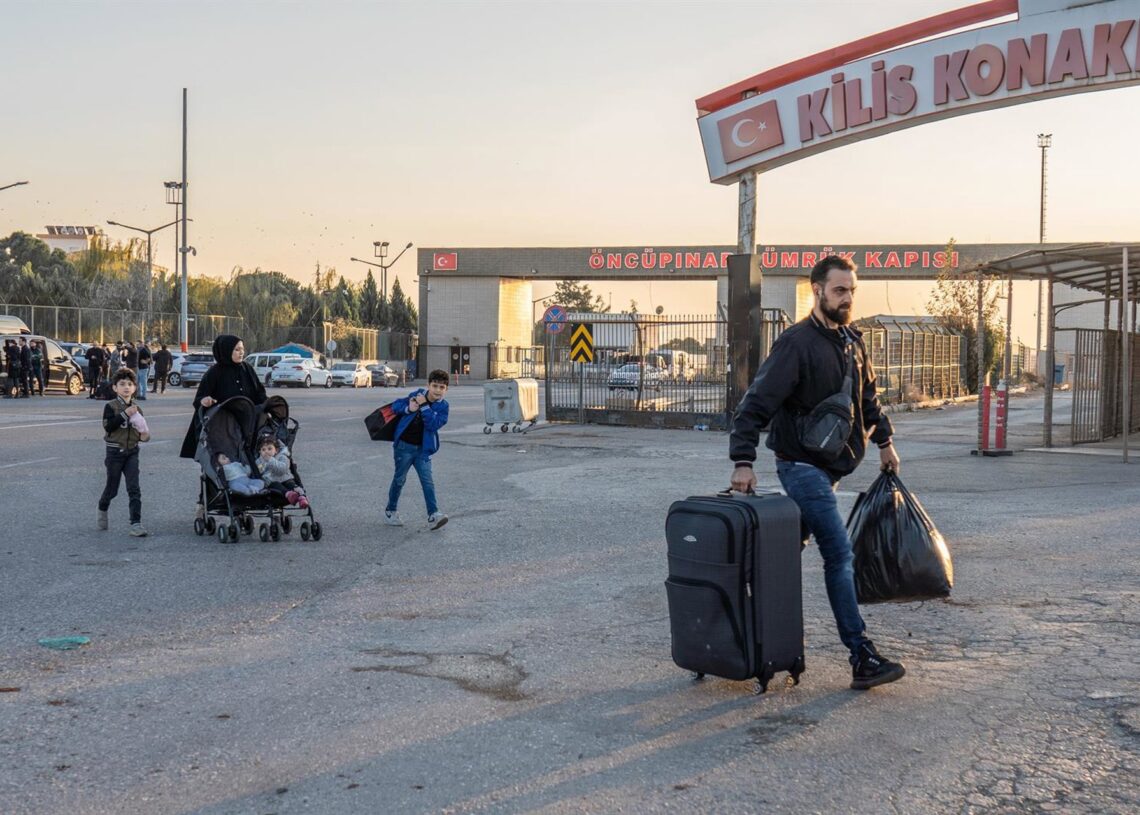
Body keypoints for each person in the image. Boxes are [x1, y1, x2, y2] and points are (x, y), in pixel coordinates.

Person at [729, 255, 905, 691]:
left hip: (831, 470)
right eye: (838, 290)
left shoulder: (852, 342)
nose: (846, 298)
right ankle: (860, 655)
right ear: (818, 291)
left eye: (851, 290)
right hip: (800, 467)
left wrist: (885, 442)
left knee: (783, 551)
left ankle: (745, 624)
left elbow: (869, 400)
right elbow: (757, 402)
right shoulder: (796, 344)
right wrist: (743, 460)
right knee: (839, 553)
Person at [180, 336, 267, 523]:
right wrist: (206, 401)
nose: (241, 352)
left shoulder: (247, 369)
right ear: (226, 351)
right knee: (216, 468)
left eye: (242, 349)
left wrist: (264, 408)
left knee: (244, 465)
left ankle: (243, 501)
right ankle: (204, 503)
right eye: (236, 349)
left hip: (245, 428)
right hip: (219, 427)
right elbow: (200, 399)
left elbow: (260, 393)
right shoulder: (215, 372)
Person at [384, 369, 450, 530]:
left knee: (428, 482)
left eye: (442, 387)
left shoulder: (443, 407)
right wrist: (409, 407)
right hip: (404, 447)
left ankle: (433, 514)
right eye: (435, 386)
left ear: (446, 389)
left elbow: (433, 424)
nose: (438, 390)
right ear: (428, 385)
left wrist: (425, 406)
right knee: (399, 479)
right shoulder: (417, 394)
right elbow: (395, 406)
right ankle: (390, 510)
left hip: (423, 450)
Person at [97, 368, 150, 537]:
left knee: (134, 488)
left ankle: (136, 523)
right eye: (122, 384)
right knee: (112, 489)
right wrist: (124, 414)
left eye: (130, 384)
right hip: (114, 453)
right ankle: (103, 506)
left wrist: (145, 436)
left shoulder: (138, 409)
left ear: (135, 388)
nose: (126, 387)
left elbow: (142, 432)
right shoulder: (110, 406)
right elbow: (108, 426)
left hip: (132, 453)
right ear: (115, 388)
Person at [255, 434, 309, 508]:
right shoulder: (259, 461)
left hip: (285, 478)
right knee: (276, 486)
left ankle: (302, 497)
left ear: (276, 450)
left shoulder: (282, 457)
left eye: (269, 449)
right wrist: (262, 466)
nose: (266, 452)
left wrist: (270, 460)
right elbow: (259, 471)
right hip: (272, 481)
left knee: (293, 485)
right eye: (263, 450)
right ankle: (289, 494)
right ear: (260, 452)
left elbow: (282, 469)